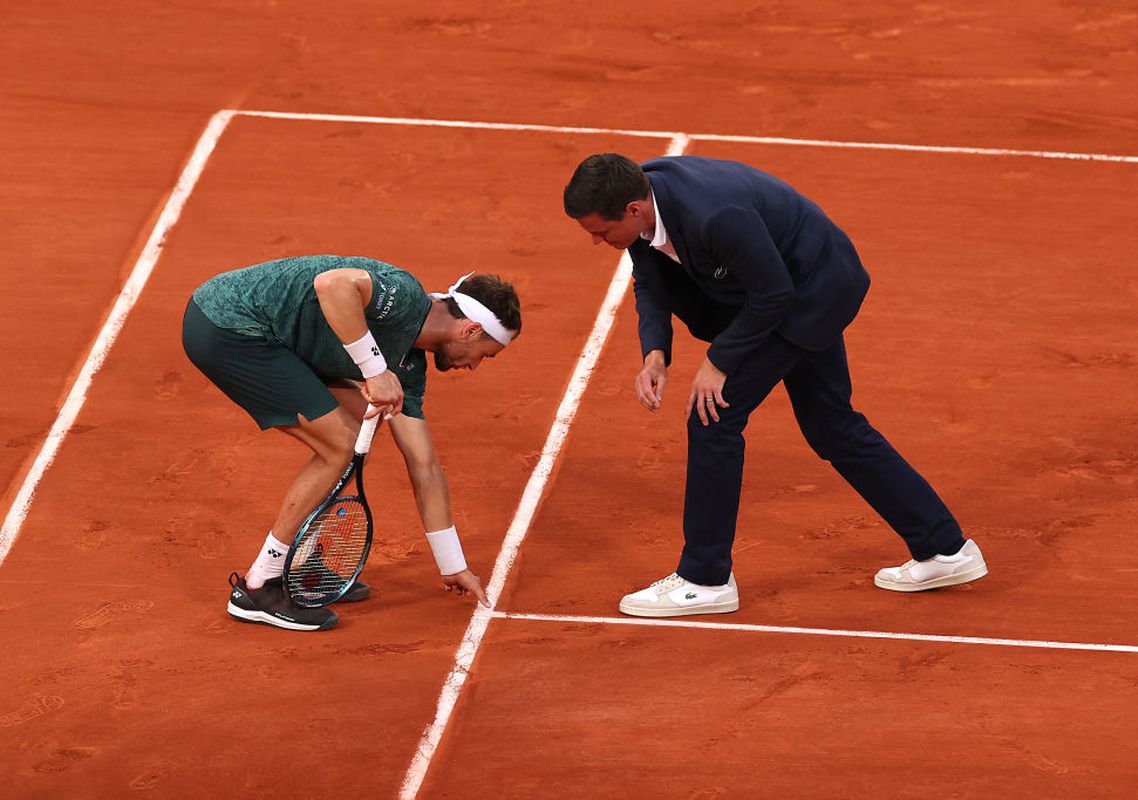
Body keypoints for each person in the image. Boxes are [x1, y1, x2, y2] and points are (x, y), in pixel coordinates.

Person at [563, 153, 986, 618]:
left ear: (633, 210)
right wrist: (656, 354)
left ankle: (705, 578)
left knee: (713, 415)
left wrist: (719, 362)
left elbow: (774, 294)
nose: (596, 242)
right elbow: (649, 278)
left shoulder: (713, 215)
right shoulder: (641, 197)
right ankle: (944, 550)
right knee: (832, 425)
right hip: (784, 286)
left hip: (809, 291)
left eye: (600, 233)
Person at [182, 255, 521, 631]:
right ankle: (259, 586)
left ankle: (304, 558)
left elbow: (423, 463)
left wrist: (452, 563)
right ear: (471, 331)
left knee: (365, 417)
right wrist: (375, 371)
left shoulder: (409, 367)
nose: (473, 367)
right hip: (230, 325)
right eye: (485, 356)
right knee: (340, 445)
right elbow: (332, 285)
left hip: (275, 338)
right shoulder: (405, 296)